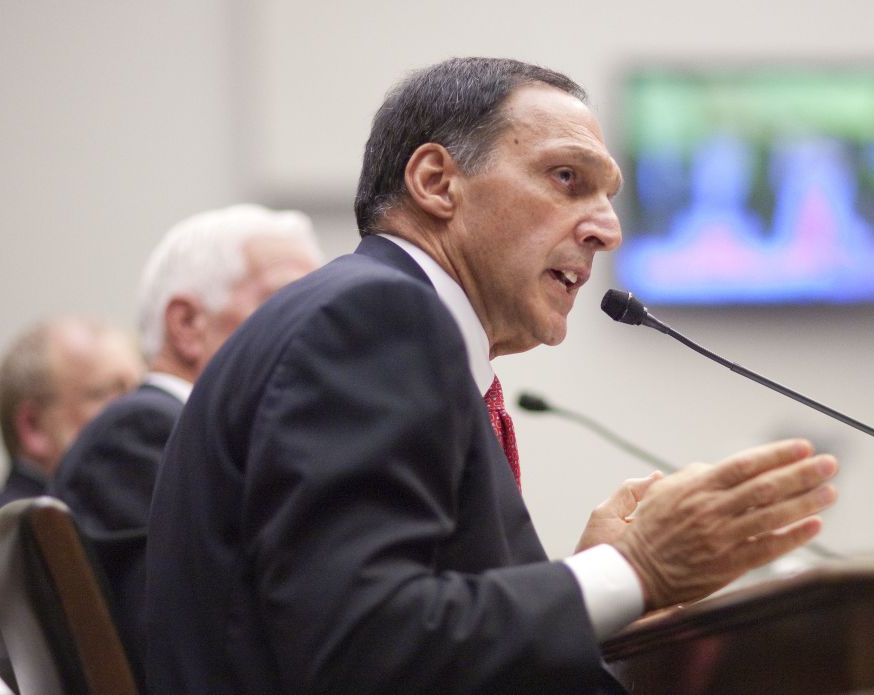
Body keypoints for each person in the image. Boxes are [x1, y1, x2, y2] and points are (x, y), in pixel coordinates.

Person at [146, 57, 839, 694]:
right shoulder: (374, 317)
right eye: (568, 178)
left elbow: (415, 626)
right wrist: (635, 567)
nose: (607, 228)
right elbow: (360, 646)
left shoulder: (377, 317)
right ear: (436, 183)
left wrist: (578, 574)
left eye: (608, 195)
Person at [47, 204, 323, 686]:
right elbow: (196, 649)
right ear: (188, 325)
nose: (320, 331)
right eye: (284, 304)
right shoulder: (141, 435)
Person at [0, 317, 142, 635]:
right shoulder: (25, 538)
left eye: (139, 391)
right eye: (110, 396)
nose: (139, 413)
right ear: (34, 428)